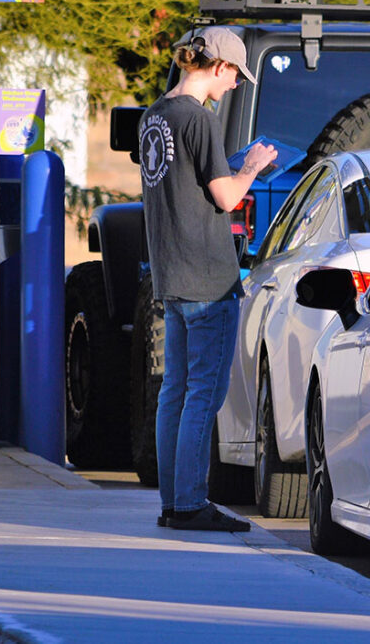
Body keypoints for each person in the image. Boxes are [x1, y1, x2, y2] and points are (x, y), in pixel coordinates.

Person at [138, 26, 277, 531]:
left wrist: (233, 168)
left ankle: (173, 504)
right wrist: (255, 167)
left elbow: (189, 184)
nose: (236, 84)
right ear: (216, 66)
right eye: (235, 74)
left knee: (174, 390)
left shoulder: (156, 114)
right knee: (203, 394)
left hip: (171, 273)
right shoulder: (198, 118)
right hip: (207, 278)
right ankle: (191, 503)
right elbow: (225, 198)